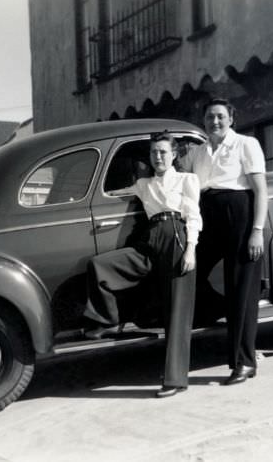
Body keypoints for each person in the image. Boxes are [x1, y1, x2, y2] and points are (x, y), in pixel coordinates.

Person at [83, 132, 202, 398]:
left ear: (173, 155)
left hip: (177, 236)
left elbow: (193, 215)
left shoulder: (187, 180)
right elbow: (112, 193)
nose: (157, 157)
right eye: (153, 153)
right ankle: (106, 320)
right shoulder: (143, 183)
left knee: (176, 310)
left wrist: (191, 249)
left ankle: (175, 380)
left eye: (162, 151)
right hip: (150, 237)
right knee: (101, 266)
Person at [181, 98, 268, 386]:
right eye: (209, 117)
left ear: (231, 118)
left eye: (220, 116)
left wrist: (256, 230)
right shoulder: (197, 151)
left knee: (241, 287)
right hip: (206, 213)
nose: (214, 122)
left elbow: (260, 191)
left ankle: (243, 362)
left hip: (238, 213)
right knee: (188, 272)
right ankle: (214, 317)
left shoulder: (246, 144)